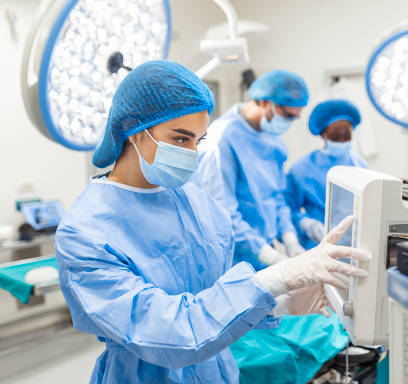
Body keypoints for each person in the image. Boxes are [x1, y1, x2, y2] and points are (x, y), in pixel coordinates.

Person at [55, 60, 370, 384]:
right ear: (134, 127)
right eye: (180, 139)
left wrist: (280, 303)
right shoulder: (85, 233)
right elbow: (174, 332)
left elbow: (215, 300)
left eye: (198, 140)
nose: (192, 153)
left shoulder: (200, 206)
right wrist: (275, 276)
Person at [193, 70, 309, 270]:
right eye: (287, 115)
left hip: (263, 250)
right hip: (231, 258)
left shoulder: (273, 141)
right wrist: (274, 259)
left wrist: (291, 240)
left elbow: (277, 197)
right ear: (264, 102)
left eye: (294, 118)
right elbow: (223, 216)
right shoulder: (221, 140)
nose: (288, 122)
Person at [285, 99, 367, 249]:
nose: (342, 141)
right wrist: (306, 224)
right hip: (317, 244)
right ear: (323, 134)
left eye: (346, 136)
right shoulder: (302, 168)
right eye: (336, 137)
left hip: (354, 245)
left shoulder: (359, 165)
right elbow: (287, 208)